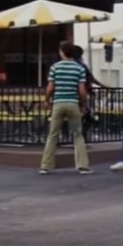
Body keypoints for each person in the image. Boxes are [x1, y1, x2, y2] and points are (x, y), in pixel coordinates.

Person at [39, 42, 92, 175]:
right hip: (73, 103)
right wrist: (83, 104)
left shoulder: (55, 67)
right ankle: (82, 166)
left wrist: (46, 100)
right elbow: (82, 90)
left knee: (53, 134)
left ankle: (45, 166)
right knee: (78, 135)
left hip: (58, 103)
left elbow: (50, 88)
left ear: (62, 52)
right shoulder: (79, 68)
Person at [70, 45, 106, 144]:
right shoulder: (82, 66)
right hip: (84, 93)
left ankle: (77, 136)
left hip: (73, 94)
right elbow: (91, 78)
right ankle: (82, 136)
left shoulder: (70, 65)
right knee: (86, 115)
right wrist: (103, 86)